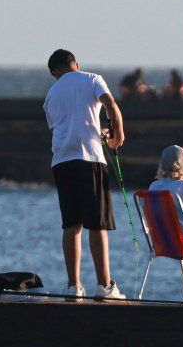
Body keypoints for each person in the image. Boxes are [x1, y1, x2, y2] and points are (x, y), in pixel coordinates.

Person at [44, 49, 126, 300]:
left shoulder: (51, 94)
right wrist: (118, 134)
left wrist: (97, 130)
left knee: (71, 224)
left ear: (54, 72)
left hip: (62, 161)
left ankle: (73, 286)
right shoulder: (91, 78)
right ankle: (104, 286)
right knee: (97, 224)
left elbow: (67, 125)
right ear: (75, 64)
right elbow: (110, 104)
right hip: (90, 158)